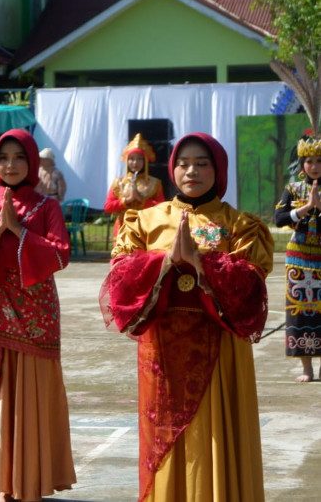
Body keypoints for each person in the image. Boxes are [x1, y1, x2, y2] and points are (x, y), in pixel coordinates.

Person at [100, 132, 272, 501]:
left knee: (214, 434)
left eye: (202, 163)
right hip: (162, 351)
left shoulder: (239, 224)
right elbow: (120, 276)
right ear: (172, 168)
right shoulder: (144, 220)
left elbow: (252, 284)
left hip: (219, 348)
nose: (191, 170)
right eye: (183, 163)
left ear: (219, 170)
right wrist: (165, 262)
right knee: (166, 437)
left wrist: (202, 265)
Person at [0, 129, 76, 501]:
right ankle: (4, 481)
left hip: (35, 314)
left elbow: (60, 254)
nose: (10, 165)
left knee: (33, 393)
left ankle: (33, 480)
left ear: (32, 162)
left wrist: (19, 229)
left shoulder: (47, 207)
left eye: (19, 157)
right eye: (3, 157)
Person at [274, 133, 321, 382]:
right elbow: (279, 219)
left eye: (319, 161)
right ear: (302, 164)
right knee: (300, 311)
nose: (314, 166)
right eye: (309, 161)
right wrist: (305, 207)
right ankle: (307, 368)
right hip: (299, 259)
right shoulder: (293, 188)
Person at [103, 133, 165, 237]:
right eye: (131, 159)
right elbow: (107, 207)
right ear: (127, 160)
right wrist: (126, 201)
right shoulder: (119, 182)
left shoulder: (155, 183)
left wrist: (142, 200)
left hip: (146, 228)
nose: (135, 162)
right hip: (123, 229)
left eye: (139, 159)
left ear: (145, 161)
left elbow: (162, 207)